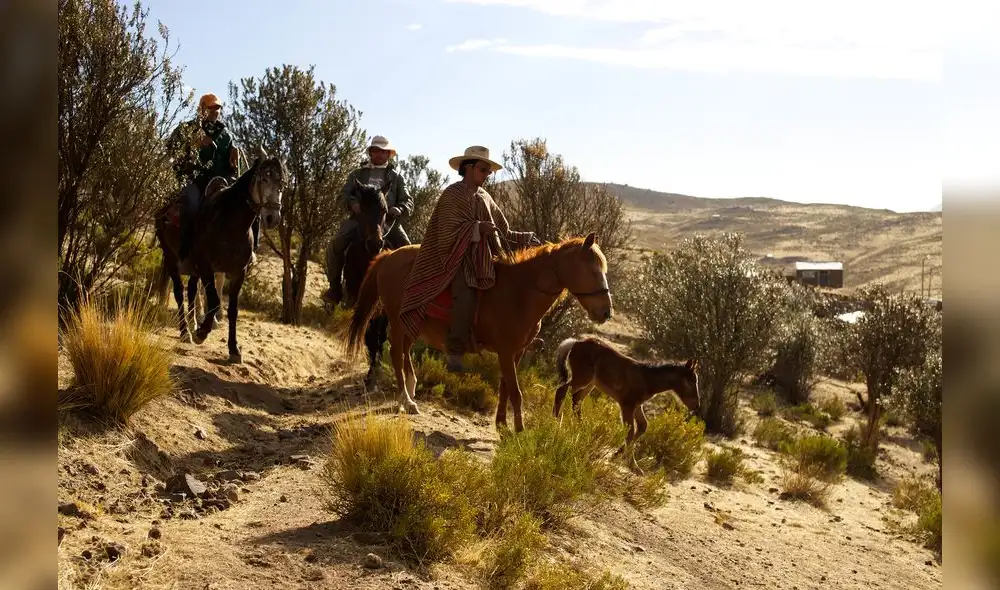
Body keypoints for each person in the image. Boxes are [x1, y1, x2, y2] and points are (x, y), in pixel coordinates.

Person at [398, 145, 540, 373]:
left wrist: (526, 238)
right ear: (468, 168)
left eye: (489, 171)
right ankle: (455, 351)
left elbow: (503, 231)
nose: (486, 175)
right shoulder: (452, 195)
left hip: (484, 259)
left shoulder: (486, 197)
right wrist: (476, 229)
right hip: (455, 258)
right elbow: (446, 234)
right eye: (483, 170)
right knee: (465, 292)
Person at [324, 135, 413, 306]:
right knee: (337, 243)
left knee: (408, 249)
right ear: (371, 153)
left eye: (383, 151)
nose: (379, 154)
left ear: (388, 154)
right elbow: (343, 195)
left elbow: (408, 200)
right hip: (360, 220)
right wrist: (353, 204)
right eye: (376, 150)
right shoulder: (357, 174)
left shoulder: (396, 178)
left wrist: (399, 209)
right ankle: (334, 288)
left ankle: (410, 294)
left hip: (387, 222)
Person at [166, 92, 244, 267]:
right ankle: (185, 254)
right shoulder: (187, 129)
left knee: (240, 206)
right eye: (212, 107)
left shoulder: (226, 135)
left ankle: (243, 253)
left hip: (218, 183)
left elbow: (229, 166)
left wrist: (234, 158)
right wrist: (193, 143)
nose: (216, 111)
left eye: (218, 108)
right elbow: (170, 148)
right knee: (192, 206)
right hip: (193, 179)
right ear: (202, 109)